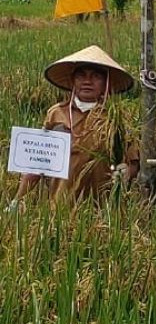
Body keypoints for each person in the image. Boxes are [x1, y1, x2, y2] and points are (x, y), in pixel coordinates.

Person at [8, 46, 138, 209]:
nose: (87, 81)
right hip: (60, 205)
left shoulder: (115, 118)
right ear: (72, 81)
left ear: (106, 83)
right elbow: (37, 160)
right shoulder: (56, 114)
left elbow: (134, 161)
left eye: (96, 76)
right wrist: (17, 199)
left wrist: (126, 172)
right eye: (81, 75)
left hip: (103, 210)